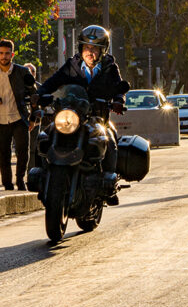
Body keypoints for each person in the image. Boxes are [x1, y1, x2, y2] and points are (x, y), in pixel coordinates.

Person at [37, 25, 127, 193]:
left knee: (110, 140)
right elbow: (53, 82)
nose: (89, 52)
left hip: (97, 117)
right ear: (80, 48)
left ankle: (109, 183)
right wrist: (40, 94)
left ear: (102, 51)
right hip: (72, 115)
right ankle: (42, 175)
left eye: (94, 48)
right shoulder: (72, 66)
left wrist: (118, 100)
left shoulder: (110, 67)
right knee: (47, 134)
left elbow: (119, 88)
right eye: (86, 47)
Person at [0, 39, 35, 190]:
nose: (4, 57)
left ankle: (20, 180)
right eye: (1, 54)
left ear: (12, 54)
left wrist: (33, 119)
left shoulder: (23, 72)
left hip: (19, 118)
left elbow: (34, 95)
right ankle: (7, 184)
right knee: (3, 155)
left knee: (22, 152)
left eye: (7, 54)